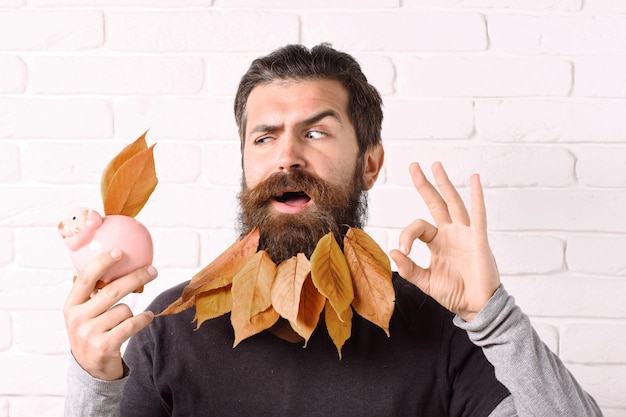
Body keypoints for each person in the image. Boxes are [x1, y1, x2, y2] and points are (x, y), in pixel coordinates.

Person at [63, 43, 602, 416]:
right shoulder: (170, 329)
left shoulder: (439, 331)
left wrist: (492, 315)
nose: (287, 157)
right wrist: (94, 379)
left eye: (316, 133)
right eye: (264, 138)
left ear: (370, 163)